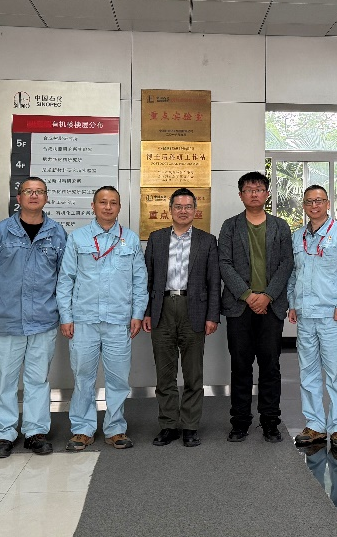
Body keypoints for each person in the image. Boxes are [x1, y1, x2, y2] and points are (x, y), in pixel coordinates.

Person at [0, 177, 67, 459]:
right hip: (7, 321)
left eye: (39, 191)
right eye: (28, 191)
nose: (34, 195)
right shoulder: (0, 232)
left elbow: (63, 277)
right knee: (4, 380)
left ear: (46, 197)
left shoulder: (57, 233)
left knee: (37, 380)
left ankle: (35, 432)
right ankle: (4, 433)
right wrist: (2, 304)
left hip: (43, 319)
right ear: (18, 198)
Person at [57, 186, 147, 451]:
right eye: (103, 202)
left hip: (119, 321)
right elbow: (66, 280)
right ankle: (82, 429)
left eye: (113, 203)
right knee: (83, 377)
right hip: (83, 320)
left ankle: (115, 428)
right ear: (93, 206)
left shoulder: (130, 239)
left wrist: (137, 314)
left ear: (119, 207)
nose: (108, 207)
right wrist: (66, 316)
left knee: (118, 379)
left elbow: (139, 281)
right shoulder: (78, 238)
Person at [217, 171, 294, 443]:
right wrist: (248, 295)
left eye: (259, 189)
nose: (254, 194)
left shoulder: (280, 226)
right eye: (248, 190)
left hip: (271, 307)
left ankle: (270, 421)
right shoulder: (230, 226)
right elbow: (224, 263)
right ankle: (240, 422)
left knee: (270, 365)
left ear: (267, 194)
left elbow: (287, 263)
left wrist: (268, 295)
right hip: (239, 307)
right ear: (241, 195)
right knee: (240, 366)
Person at [143, 188, 221, 448]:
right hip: (162, 308)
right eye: (178, 206)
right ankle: (168, 425)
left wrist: (212, 316)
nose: (183, 211)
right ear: (170, 210)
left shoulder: (207, 241)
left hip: (194, 309)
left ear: (195, 211)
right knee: (164, 373)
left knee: (193, 373)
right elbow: (147, 279)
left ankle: (190, 426)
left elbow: (213, 282)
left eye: (188, 207)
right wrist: (146, 312)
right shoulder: (156, 239)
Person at [288, 185, 337, 452]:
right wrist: (292, 303)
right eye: (309, 201)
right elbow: (293, 274)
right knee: (307, 372)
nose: (314, 205)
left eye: (319, 200)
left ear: (328, 203)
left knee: (334, 372)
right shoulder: (297, 236)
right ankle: (315, 425)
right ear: (304, 205)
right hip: (305, 315)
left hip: (332, 315)